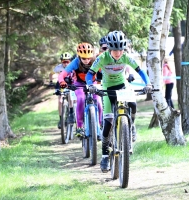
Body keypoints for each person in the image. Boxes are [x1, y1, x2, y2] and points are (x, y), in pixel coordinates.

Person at [85, 30, 153, 173]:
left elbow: (141, 71)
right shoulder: (102, 58)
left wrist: (148, 84)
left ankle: (131, 126)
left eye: (120, 49)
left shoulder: (126, 57)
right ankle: (104, 155)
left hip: (122, 86)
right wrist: (90, 85)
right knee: (108, 123)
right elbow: (89, 74)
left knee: (133, 104)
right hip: (107, 88)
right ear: (109, 48)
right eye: (115, 50)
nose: (118, 53)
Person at [58, 43, 103, 138]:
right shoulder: (75, 62)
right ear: (79, 56)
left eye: (88, 58)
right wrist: (62, 81)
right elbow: (62, 74)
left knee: (98, 101)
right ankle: (79, 126)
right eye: (83, 58)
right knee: (81, 99)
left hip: (93, 83)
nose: (86, 60)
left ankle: (100, 125)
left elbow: (104, 72)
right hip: (79, 84)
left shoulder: (96, 61)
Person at [51, 52, 75, 129]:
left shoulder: (73, 67)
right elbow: (51, 74)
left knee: (71, 97)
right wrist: (51, 81)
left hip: (70, 83)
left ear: (70, 61)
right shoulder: (58, 67)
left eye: (67, 61)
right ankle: (61, 119)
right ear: (61, 62)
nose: (65, 63)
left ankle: (71, 113)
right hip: (61, 84)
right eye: (63, 62)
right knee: (60, 100)